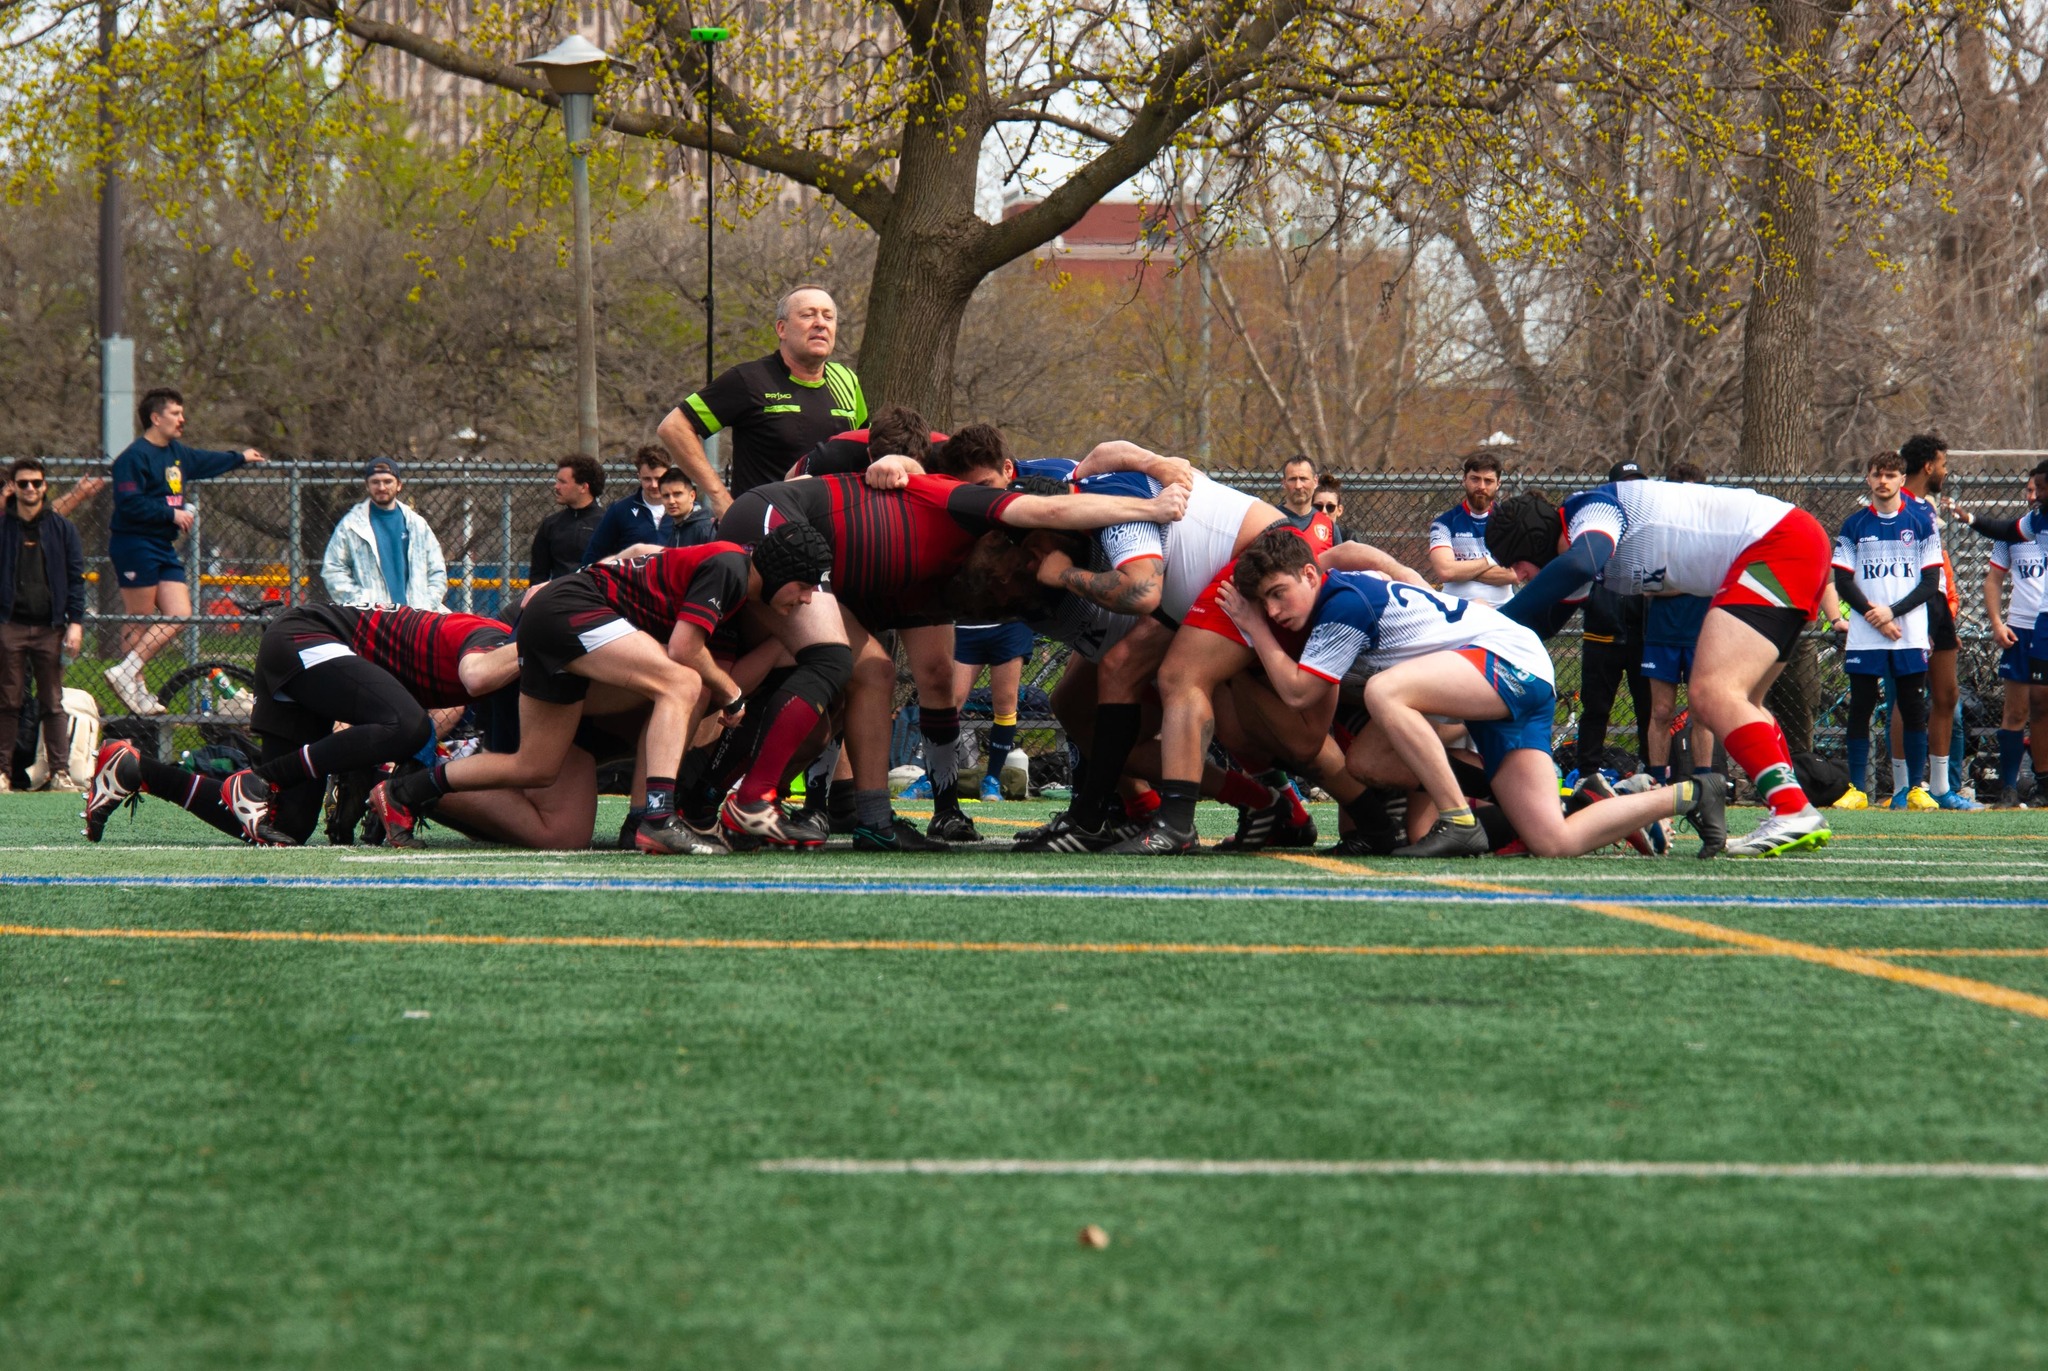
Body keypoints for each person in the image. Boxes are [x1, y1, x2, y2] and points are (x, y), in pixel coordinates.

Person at [710, 464, 1188, 851]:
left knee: (868, 673)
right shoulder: (974, 501)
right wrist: (1151, 505)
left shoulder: (955, 570)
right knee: (833, 661)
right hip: (777, 519)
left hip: (816, 549)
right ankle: (752, 799)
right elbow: (1047, 505)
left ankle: (863, 819)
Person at [1223, 525, 1723, 858]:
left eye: (1277, 595)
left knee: (1385, 692)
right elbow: (1348, 551)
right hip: (1500, 673)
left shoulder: (1341, 604)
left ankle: (1459, 818)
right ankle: (1694, 793)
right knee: (1552, 839)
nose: (1274, 610)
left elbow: (1298, 694)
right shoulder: (1331, 581)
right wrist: (1404, 574)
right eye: (1264, 603)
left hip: (1507, 660)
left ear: (1310, 575)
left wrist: (1254, 627)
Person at [375, 528, 835, 855]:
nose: (807, 599)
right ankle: (655, 817)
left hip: (561, 626)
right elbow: (684, 648)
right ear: (778, 571)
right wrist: (732, 692)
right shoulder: (731, 566)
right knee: (683, 681)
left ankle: (403, 791)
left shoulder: (729, 576)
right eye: (804, 585)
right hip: (570, 610)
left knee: (535, 767)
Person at [1488, 474, 1835, 858]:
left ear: (1533, 539)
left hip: (1777, 543)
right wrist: (1477, 633)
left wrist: (1490, 622)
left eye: (1515, 562)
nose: (1517, 576)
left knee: (1712, 693)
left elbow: (1581, 562)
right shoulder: (1579, 551)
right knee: (1745, 702)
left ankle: (1791, 808)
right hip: (1792, 542)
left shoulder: (1588, 511)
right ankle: (1792, 807)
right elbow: (1537, 624)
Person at [83, 605, 518, 846]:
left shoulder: (505, 659)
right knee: (410, 727)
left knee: (287, 825)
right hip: (307, 637)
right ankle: (259, 780)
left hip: (307, 653)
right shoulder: (497, 638)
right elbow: (453, 692)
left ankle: (133, 769)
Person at [104, 386, 265, 714]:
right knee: (138, 618)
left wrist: (240, 457)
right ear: (155, 418)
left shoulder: (177, 453)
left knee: (181, 614)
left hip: (162, 546)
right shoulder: (133, 458)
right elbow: (129, 503)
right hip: (135, 543)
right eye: (175, 413)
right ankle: (134, 685)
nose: (182, 419)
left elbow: (207, 460)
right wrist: (171, 514)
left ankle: (126, 671)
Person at [656, 284, 867, 515]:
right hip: (767, 526)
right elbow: (674, 427)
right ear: (782, 329)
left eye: (828, 316)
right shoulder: (749, 379)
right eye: (808, 315)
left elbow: (866, 446)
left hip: (836, 525)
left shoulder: (847, 380)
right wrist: (719, 497)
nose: (820, 323)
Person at [1832, 450, 1941, 808]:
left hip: (1908, 633)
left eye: (1891, 475)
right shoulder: (1854, 525)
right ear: (1868, 478)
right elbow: (1843, 581)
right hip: (1866, 634)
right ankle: (1857, 790)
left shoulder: (1921, 523)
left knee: (1912, 708)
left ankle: (1916, 788)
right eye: (1877, 474)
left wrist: (1891, 613)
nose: (1883, 481)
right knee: (1860, 707)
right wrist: (1873, 615)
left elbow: (1930, 582)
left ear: (1901, 479)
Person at [1889, 433, 1980, 808]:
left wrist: (1945, 616)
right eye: (1943, 464)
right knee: (1907, 696)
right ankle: (1902, 789)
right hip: (1915, 607)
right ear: (1928, 466)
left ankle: (1941, 789)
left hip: (1938, 604)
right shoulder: (1898, 505)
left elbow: (1937, 566)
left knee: (1947, 695)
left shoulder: (1926, 507)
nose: (1945, 471)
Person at [0, 459, 87, 793]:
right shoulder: (4, 528)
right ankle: (3, 773)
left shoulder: (62, 529)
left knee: (52, 701)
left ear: (45, 485)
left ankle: (60, 773)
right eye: (23, 483)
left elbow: (76, 579)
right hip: (10, 624)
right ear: (13, 487)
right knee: (8, 700)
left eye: (36, 483)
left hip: (51, 627)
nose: (30, 489)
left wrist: (75, 623)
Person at [1639, 463, 1717, 794]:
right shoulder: (1657, 533)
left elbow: (1716, 580)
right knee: (1661, 712)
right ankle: (1658, 783)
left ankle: (1705, 785)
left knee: (1702, 713)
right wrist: (1691, 581)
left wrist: (1676, 581)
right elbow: (1647, 585)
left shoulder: (1716, 533)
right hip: (1663, 633)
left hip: (1702, 634)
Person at [1976, 465, 2048, 806]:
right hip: (2019, 628)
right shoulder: (2016, 532)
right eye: (2029, 490)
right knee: (2015, 711)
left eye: (2038, 489)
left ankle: (2042, 784)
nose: (2032, 496)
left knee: (2043, 707)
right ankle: (2007, 787)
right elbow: (1993, 580)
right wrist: (1997, 623)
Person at [1574, 462, 1652, 779]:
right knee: (1595, 709)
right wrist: (1594, 602)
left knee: (1649, 708)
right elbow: (1580, 569)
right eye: (1626, 484)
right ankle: (1587, 774)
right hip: (1601, 634)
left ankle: (1652, 771)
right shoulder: (1597, 524)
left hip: (1643, 637)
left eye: (1637, 483)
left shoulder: (1652, 528)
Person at [321, 459, 448, 610]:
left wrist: (426, 605)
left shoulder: (417, 525)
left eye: (388, 481)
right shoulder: (351, 525)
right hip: (373, 618)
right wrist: (360, 603)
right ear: (367, 486)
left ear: (399, 485)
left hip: (415, 617)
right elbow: (333, 569)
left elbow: (437, 571)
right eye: (375, 482)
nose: (381, 487)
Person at [1426, 449, 1518, 607]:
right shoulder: (1443, 523)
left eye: (1488, 481)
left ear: (1498, 484)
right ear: (1464, 480)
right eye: (1475, 479)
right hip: (1456, 609)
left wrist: (1461, 571)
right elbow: (1446, 571)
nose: (1481, 486)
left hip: (1502, 610)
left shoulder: (1511, 523)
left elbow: (1514, 574)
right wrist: (1491, 560)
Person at [527, 454, 606, 586]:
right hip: (559, 596)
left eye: (563, 482)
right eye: (557, 481)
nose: (556, 486)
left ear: (583, 487)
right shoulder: (551, 525)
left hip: (595, 595)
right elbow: (538, 574)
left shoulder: (607, 524)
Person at [585, 447, 675, 562]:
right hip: (631, 573)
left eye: (658, 478)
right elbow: (595, 552)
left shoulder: (685, 510)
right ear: (639, 476)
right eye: (647, 479)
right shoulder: (620, 510)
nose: (654, 485)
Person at [656, 468, 718, 548]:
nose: (671, 501)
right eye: (666, 496)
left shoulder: (706, 529)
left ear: (692, 496)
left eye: (677, 494)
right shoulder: (668, 523)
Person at [1312, 476, 1356, 544]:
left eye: (1330, 507)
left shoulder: (1350, 537)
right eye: (1318, 506)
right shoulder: (1303, 534)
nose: (1324, 511)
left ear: (1339, 510)